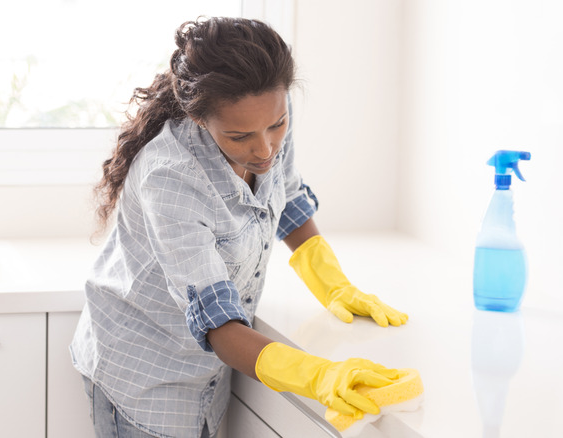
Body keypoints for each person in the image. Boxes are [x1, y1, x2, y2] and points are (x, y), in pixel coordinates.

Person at [70, 16, 410, 438]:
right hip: (147, 375)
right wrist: (318, 375)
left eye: (278, 125)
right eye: (240, 137)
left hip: (210, 370)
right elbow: (217, 321)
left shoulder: (264, 113)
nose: (265, 148)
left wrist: (333, 283)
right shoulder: (171, 179)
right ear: (199, 119)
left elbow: (285, 196)